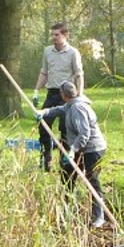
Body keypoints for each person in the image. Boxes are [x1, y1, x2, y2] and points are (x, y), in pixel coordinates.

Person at [39, 81, 108, 228]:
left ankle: (99, 216)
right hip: (83, 148)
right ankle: (70, 209)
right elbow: (59, 110)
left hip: (93, 149)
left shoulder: (78, 108)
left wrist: (72, 150)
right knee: (69, 175)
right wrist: (44, 112)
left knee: (92, 180)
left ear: (63, 95)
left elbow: (85, 134)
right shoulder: (70, 105)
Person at [34, 22, 84, 172]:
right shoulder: (47, 51)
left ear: (65, 35)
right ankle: (46, 157)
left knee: (65, 128)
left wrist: (79, 96)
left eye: (57, 35)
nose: (54, 38)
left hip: (67, 95)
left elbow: (79, 75)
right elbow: (44, 72)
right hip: (52, 93)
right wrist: (36, 90)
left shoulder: (73, 53)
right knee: (43, 124)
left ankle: (65, 160)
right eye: (52, 35)